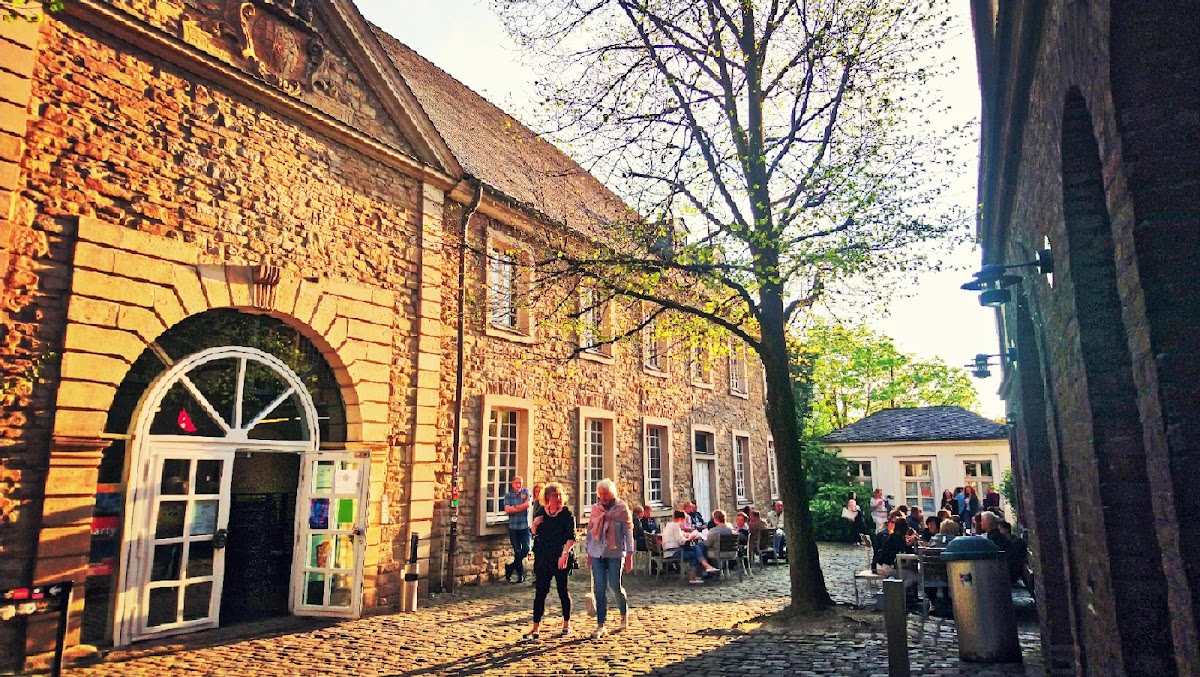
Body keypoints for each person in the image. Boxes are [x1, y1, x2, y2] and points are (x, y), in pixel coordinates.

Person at [523, 482, 575, 640]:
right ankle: (535, 628)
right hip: (543, 556)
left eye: (559, 495)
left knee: (562, 590)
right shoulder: (541, 511)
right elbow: (534, 532)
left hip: (560, 556)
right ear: (547, 498)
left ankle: (566, 624)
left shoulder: (566, 513)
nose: (558, 498)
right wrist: (535, 524)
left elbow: (571, 537)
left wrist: (565, 554)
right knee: (540, 592)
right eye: (554, 496)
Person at [586, 478, 635, 638]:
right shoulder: (596, 508)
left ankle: (623, 613)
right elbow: (590, 531)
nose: (603, 498)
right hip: (597, 552)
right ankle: (601, 624)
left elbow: (628, 533)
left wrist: (629, 555)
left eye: (606, 494)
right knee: (599, 588)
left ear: (612, 493)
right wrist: (589, 552)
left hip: (615, 553)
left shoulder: (621, 509)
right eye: (600, 494)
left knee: (614, 585)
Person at [661, 509, 714, 584]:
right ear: (680, 519)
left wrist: (685, 535)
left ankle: (703, 567)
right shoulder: (676, 526)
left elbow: (678, 536)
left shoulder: (668, 525)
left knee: (696, 548)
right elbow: (682, 542)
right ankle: (703, 567)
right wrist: (690, 538)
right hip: (673, 552)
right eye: (683, 520)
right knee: (696, 554)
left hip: (669, 551)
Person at [503, 476, 531, 583]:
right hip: (513, 527)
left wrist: (514, 508)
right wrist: (520, 506)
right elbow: (507, 509)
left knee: (526, 549)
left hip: (524, 526)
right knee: (517, 551)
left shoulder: (525, 492)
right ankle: (520, 575)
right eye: (516, 483)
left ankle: (510, 567)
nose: (519, 485)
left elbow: (527, 505)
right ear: (512, 484)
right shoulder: (508, 495)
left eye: (520, 482)